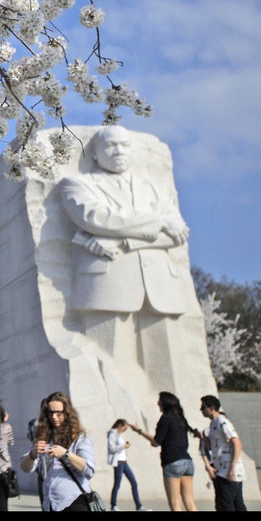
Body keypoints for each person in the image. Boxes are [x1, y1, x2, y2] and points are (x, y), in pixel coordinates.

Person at [59, 125, 192, 369]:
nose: (119, 151)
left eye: (124, 145)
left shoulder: (153, 188)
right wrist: (159, 222)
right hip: (108, 283)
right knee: (108, 365)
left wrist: (123, 241)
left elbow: (177, 234)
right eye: (111, 145)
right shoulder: (77, 184)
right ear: (96, 154)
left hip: (161, 285)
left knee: (168, 368)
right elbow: (98, 219)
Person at [20, 391, 96, 511]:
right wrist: (32, 454)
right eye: (51, 413)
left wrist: (66, 454)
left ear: (67, 413)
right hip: (50, 503)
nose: (54, 417)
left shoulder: (79, 438)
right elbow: (25, 467)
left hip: (75, 501)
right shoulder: (44, 437)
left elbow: (89, 470)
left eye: (58, 413)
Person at [132, 391, 199, 511]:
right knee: (190, 503)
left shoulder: (165, 418)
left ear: (165, 403)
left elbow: (156, 442)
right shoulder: (181, 419)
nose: (158, 403)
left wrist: (140, 431)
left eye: (160, 401)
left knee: (175, 504)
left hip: (172, 462)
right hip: (187, 461)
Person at [199, 394, 248, 511]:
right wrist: (203, 438)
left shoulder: (222, 422)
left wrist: (232, 467)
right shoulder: (213, 424)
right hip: (222, 470)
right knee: (237, 504)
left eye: (203, 407)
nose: (201, 410)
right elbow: (212, 447)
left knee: (226, 505)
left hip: (228, 471)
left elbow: (237, 443)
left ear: (212, 408)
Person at [107, 418, 147, 511]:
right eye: (124, 428)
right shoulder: (112, 434)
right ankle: (113, 506)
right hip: (118, 463)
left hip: (124, 462)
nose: (124, 430)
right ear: (120, 425)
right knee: (117, 484)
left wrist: (124, 445)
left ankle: (139, 506)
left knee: (134, 483)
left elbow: (119, 446)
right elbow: (112, 448)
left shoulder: (118, 435)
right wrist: (123, 446)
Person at [27, 397, 48, 506]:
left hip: (39, 463)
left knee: (44, 498)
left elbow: (30, 437)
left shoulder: (33, 423)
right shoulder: (57, 424)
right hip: (54, 464)